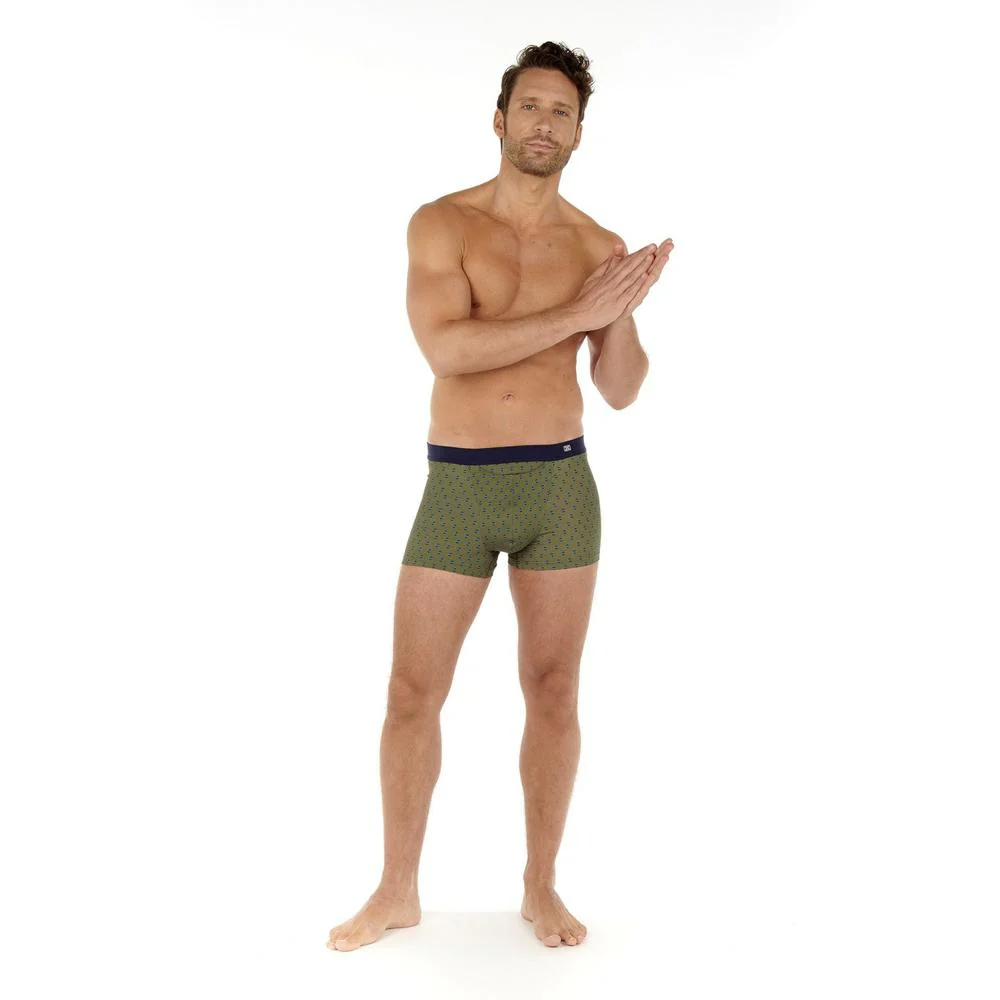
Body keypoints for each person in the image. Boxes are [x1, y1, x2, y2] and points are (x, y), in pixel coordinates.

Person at [327, 41, 673, 952]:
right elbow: (446, 348)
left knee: (554, 692)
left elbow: (622, 390)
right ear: (499, 119)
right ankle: (396, 890)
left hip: (560, 483)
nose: (543, 124)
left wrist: (619, 310)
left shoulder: (598, 247)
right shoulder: (442, 224)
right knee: (411, 691)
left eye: (561, 112)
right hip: (460, 483)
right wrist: (574, 315)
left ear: (579, 133)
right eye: (530, 106)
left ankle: (540, 884)